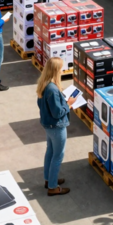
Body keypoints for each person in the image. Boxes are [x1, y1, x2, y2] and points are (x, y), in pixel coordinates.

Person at [37, 57, 77, 196]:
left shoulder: (44, 85)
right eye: (61, 68)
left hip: (48, 125)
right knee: (58, 155)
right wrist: (69, 104)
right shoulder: (53, 89)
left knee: (50, 152)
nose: (62, 71)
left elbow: (44, 105)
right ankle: (53, 187)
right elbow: (57, 113)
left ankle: (49, 179)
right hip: (56, 126)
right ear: (56, 70)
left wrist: (62, 102)